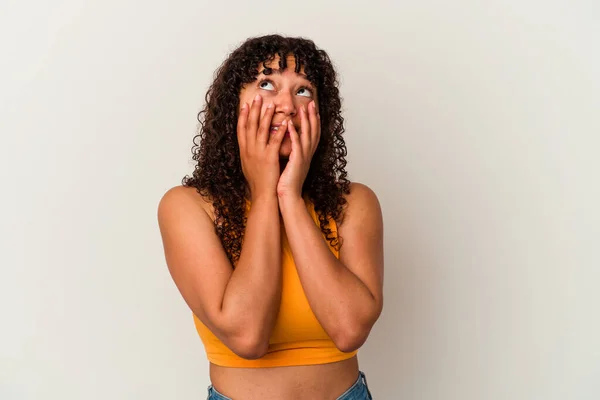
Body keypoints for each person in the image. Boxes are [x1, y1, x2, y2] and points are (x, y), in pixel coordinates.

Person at [158, 34, 384, 400]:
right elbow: (247, 336)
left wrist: (289, 197)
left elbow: (348, 330)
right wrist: (264, 194)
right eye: (267, 84)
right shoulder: (188, 206)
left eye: (303, 91)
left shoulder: (353, 203)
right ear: (234, 104)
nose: (288, 106)